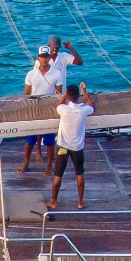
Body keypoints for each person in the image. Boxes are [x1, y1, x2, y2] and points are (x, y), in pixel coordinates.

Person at [47, 83, 96, 211]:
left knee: (58, 174)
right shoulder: (84, 110)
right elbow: (91, 105)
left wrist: (64, 95)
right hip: (77, 147)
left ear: (68, 95)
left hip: (63, 146)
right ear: (78, 96)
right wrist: (85, 92)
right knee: (79, 173)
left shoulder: (63, 109)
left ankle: (54, 201)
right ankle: (80, 202)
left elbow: (59, 104)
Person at [19, 46, 63, 174]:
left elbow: (58, 94)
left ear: (49, 58)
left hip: (49, 109)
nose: (44, 59)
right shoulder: (31, 74)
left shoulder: (57, 74)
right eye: (41, 57)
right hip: (34, 109)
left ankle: (49, 165)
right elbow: (26, 94)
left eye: (46, 57)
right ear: (38, 58)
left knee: (49, 141)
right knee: (30, 139)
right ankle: (25, 163)